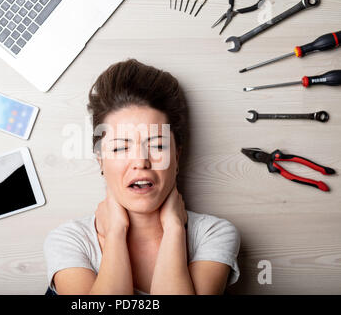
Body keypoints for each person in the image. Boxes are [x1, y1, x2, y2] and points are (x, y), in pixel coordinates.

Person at [43, 59, 240, 295]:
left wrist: (174, 229)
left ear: (177, 157)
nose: (140, 162)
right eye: (120, 148)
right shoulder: (70, 240)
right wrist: (115, 232)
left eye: (157, 145)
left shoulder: (213, 234)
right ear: (101, 161)